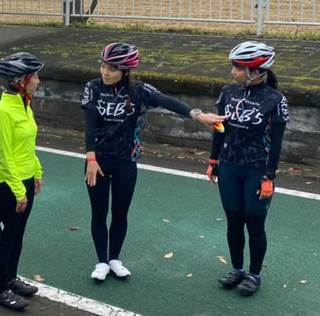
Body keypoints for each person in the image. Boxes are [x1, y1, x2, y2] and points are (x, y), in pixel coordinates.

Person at [82, 43, 225, 282]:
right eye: (103, 66)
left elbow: (167, 101)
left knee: (120, 212)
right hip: (97, 160)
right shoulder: (93, 87)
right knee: (99, 212)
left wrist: (197, 115)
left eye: (112, 68)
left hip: (126, 161)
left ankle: (114, 258)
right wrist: (91, 158)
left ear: (126, 71)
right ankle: (101, 262)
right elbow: (89, 125)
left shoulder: (139, 91)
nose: (105, 72)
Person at [207, 41, 289, 297]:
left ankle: (254, 274)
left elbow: (276, 144)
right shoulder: (228, 92)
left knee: (254, 224)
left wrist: (269, 176)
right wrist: (213, 161)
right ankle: (237, 269)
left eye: (237, 67)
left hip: (257, 170)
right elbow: (219, 128)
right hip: (230, 167)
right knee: (233, 222)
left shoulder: (276, 100)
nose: (233, 72)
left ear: (255, 70)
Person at [0, 52, 44, 312]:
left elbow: (28, 145)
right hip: (8, 186)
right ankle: (2, 290)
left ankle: (12, 278)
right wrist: (18, 191)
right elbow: (5, 155)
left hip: (24, 181)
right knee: (7, 236)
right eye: (35, 77)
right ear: (21, 80)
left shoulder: (24, 103)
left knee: (18, 235)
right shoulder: (3, 111)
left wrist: (37, 171)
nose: (39, 81)